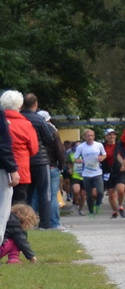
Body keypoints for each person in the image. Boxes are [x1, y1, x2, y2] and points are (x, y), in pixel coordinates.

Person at [20, 95, 61, 230]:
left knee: (27, 193)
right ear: (36, 104)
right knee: (45, 193)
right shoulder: (39, 119)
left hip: (25, 161)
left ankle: (26, 222)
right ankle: (45, 224)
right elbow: (49, 139)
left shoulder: (20, 118)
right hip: (41, 160)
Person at [2, 92, 40, 230]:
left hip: (2, 169)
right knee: (19, 206)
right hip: (20, 170)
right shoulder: (25, 124)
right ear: (20, 105)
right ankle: (17, 233)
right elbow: (34, 148)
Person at [71, 128, 105, 215]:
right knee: (89, 194)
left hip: (97, 173)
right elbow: (75, 158)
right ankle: (91, 210)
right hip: (86, 174)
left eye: (91, 135)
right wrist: (78, 160)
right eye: (88, 136)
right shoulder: (81, 147)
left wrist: (102, 158)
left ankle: (97, 204)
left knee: (100, 192)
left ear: (94, 136)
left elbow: (104, 154)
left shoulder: (99, 145)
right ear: (84, 137)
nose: (90, 137)